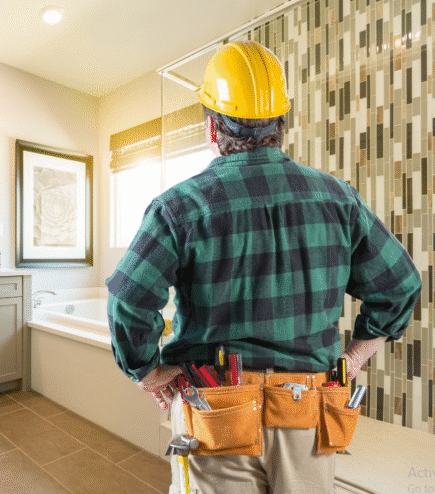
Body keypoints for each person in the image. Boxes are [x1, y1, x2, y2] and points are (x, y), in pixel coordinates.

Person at [106, 41, 421, 494]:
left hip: (215, 410)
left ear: (212, 127)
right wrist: (354, 357)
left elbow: (128, 299)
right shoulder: (338, 199)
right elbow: (401, 285)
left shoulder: (179, 206)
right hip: (308, 409)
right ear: (280, 125)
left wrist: (148, 371)